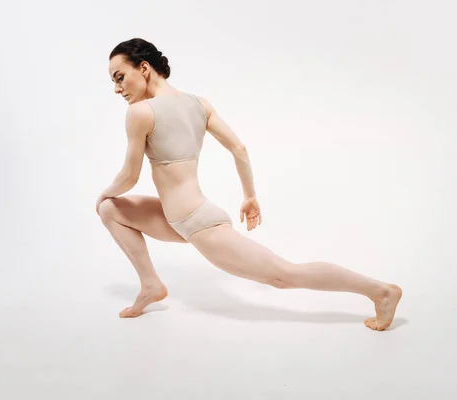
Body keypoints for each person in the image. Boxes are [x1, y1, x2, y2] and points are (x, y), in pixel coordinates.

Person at [96, 38, 402, 331]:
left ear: (144, 68)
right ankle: (151, 285)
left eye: (120, 77)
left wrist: (102, 194)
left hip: (197, 223)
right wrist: (249, 197)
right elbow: (239, 149)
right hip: (180, 218)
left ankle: (380, 291)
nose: (116, 88)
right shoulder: (198, 104)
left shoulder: (140, 112)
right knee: (112, 211)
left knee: (283, 275)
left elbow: (130, 176)